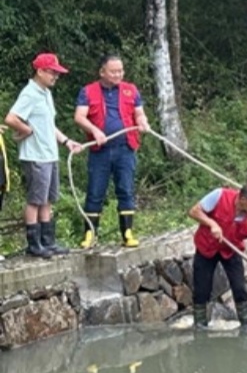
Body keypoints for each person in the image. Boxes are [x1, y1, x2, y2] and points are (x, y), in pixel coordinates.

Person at [4, 53, 84, 258]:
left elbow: (49, 125)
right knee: (35, 200)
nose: (55, 76)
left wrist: (66, 141)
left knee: (48, 199)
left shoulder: (46, 93)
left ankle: (48, 241)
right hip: (35, 156)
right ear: (40, 71)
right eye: (52, 72)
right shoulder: (30, 93)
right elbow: (11, 118)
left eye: (57, 73)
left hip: (50, 154)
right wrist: (27, 130)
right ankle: (34, 244)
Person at [73, 54, 151, 248]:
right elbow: (79, 116)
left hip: (126, 149)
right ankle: (90, 234)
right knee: (95, 192)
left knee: (126, 190)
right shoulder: (88, 91)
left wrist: (143, 122)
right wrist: (94, 130)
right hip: (100, 151)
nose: (118, 74)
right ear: (102, 72)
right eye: (114, 71)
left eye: (121, 71)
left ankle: (127, 233)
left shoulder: (131, 90)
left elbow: (139, 113)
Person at [188, 183, 247, 331]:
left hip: (231, 250)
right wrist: (211, 223)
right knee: (202, 290)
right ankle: (200, 326)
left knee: (239, 288)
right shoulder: (219, 195)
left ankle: (246, 326)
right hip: (207, 247)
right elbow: (194, 211)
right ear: (243, 199)